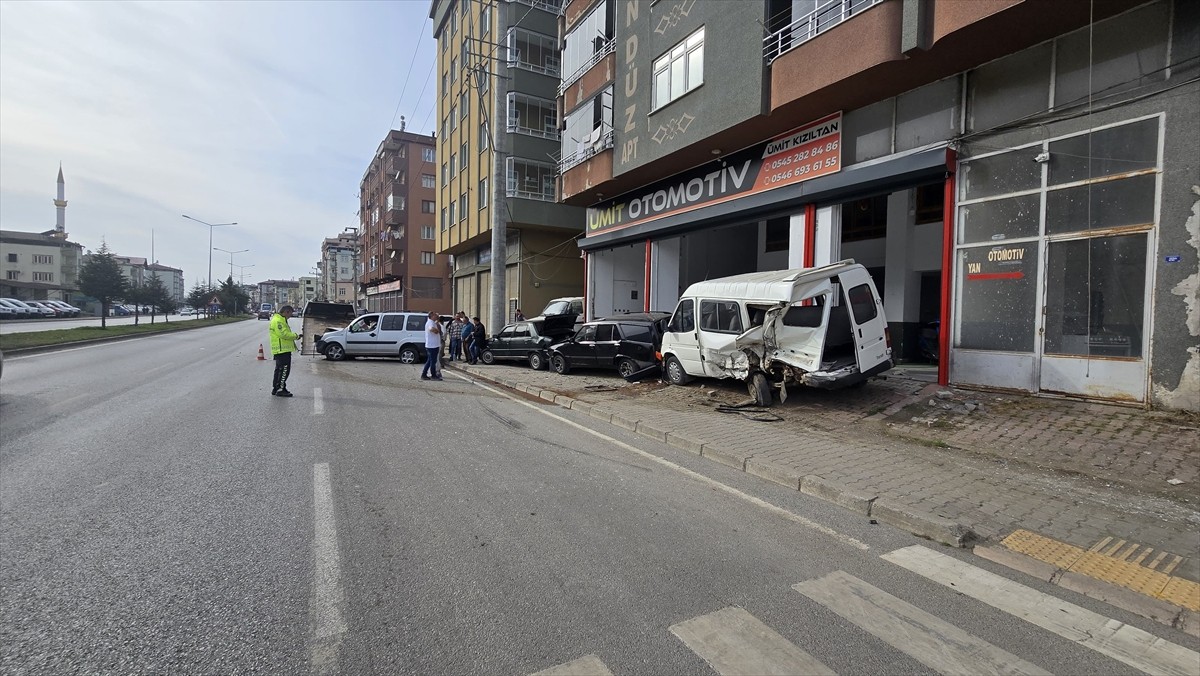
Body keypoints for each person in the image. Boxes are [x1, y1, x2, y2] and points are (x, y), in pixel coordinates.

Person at [269, 305, 301, 397]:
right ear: (286, 312)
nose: (291, 315)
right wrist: (296, 336)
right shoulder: (278, 321)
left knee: (279, 370)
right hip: (282, 350)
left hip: (281, 349)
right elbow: (284, 334)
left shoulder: (280, 319)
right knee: (284, 370)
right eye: (290, 313)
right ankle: (280, 389)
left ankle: (276, 387)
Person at [420, 311, 443, 381]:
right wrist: (437, 331)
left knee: (430, 361)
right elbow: (431, 329)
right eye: (435, 315)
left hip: (433, 345)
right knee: (433, 361)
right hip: (432, 345)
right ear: (431, 316)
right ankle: (433, 375)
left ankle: (424, 374)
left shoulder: (433, 322)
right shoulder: (430, 322)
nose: (436, 316)